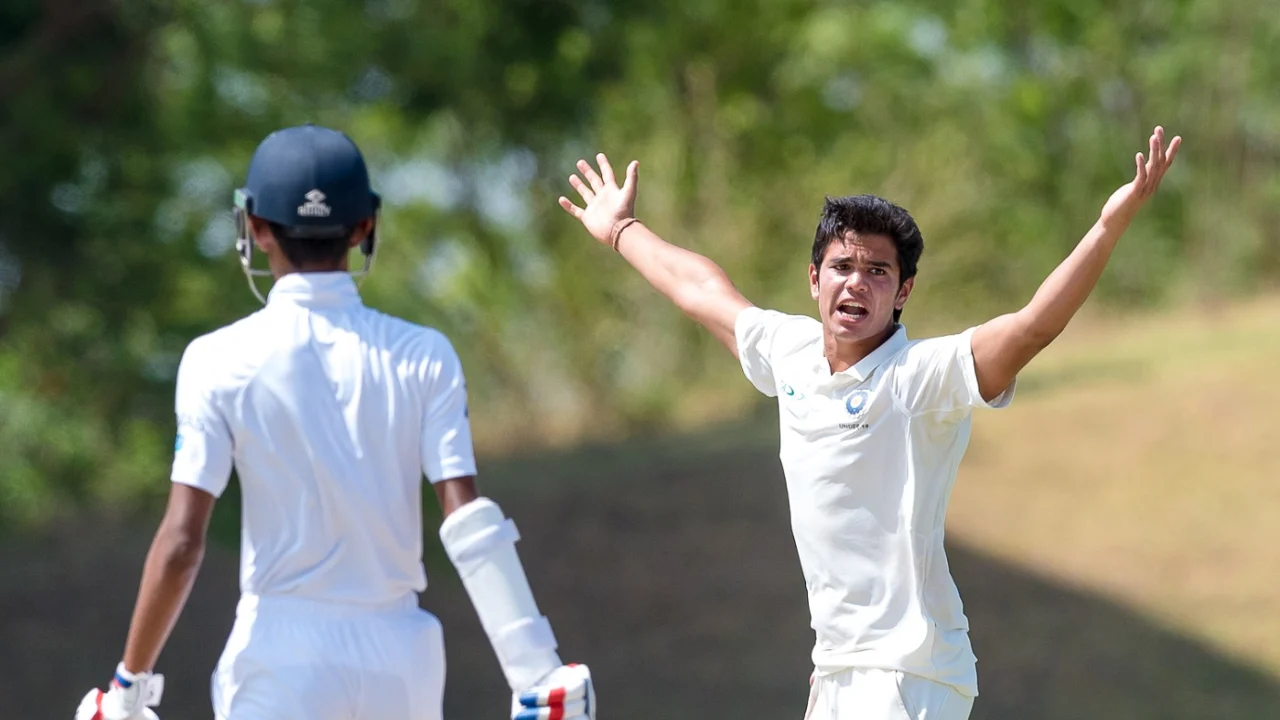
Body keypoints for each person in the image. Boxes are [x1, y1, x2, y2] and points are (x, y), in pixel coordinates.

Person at [557, 127, 1181, 719]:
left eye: (878, 272)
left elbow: (1030, 327)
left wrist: (1107, 226)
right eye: (842, 267)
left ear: (903, 291)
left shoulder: (919, 377)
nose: (857, 283)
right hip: (836, 667)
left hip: (908, 673)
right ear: (814, 278)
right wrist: (620, 229)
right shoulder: (790, 351)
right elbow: (700, 289)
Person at [76, 124, 595, 720]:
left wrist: (129, 685)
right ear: (365, 226)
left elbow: (183, 542)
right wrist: (536, 670)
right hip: (400, 656)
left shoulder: (216, 360)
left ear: (256, 228)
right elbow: (467, 520)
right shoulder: (423, 354)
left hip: (279, 652)